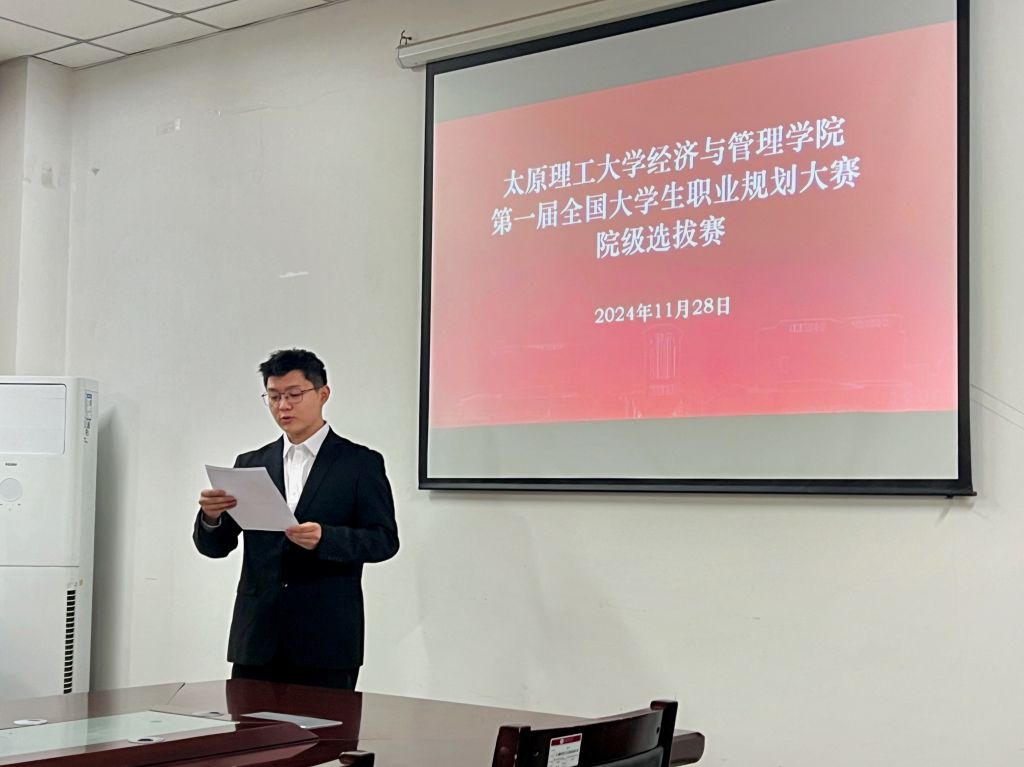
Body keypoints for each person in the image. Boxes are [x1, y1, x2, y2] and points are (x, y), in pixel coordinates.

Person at [193, 348, 398, 690]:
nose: (283, 406)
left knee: (325, 726)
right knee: (248, 725)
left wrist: (326, 538)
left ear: (323, 394)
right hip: (256, 639)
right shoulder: (250, 463)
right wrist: (211, 517)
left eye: (293, 395)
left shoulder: (360, 464)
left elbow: (384, 540)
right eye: (273, 397)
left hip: (327, 641)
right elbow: (215, 547)